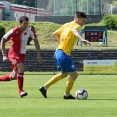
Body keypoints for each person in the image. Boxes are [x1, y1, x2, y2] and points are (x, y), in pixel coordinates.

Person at [39, 11, 91, 99]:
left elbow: (54, 34)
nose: (83, 23)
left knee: (63, 74)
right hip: (63, 53)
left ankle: (44, 87)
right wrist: (82, 39)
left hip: (58, 51)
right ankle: (66, 95)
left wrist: (62, 43)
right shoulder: (76, 26)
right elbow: (74, 30)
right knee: (74, 75)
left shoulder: (65, 25)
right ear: (78, 19)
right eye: (83, 20)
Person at [0, 16, 42, 98]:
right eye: (24, 23)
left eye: (27, 23)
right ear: (20, 23)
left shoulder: (30, 30)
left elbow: (36, 42)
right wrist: (4, 55)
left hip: (22, 55)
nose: (26, 25)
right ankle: (21, 91)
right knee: (21, 68)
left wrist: (38, 55)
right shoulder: (14, 31)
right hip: (13, 53)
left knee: (14, 76)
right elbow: (3, 40)